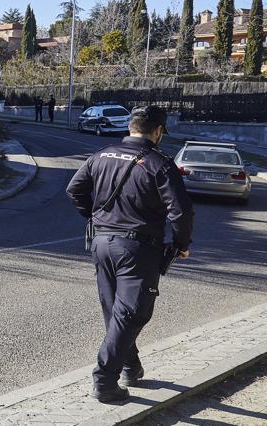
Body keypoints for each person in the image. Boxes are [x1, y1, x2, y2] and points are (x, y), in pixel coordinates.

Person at [65, 105, 194, 403]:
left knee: (116, 311)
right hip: (137, 249)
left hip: (101, 243)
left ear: (130, 127)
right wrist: (181, 243)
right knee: (133, 313)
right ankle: (104, 380)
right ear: (158, 132)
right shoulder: (159, 163)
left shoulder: (102, 154)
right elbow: (182, 210)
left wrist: (95, 218)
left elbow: (74, 190)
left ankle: (130, 368)